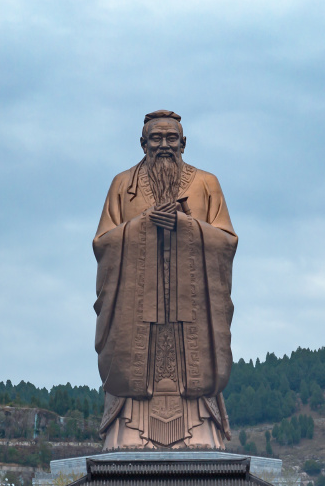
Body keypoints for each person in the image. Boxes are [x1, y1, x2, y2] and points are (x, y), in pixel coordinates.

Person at [94, 110, 237, 449]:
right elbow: (103, 242)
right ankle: (129, 431)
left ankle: (200, 429)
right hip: (138, 308)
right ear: (143, 144)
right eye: (155, 139)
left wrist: (186, 226)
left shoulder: (206, 183)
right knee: (137, 364)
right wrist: (143, 224)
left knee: (192, 366)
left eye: (171, 139)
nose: (164, 146)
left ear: (183, 143)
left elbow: (226, 241)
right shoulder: (122, 185)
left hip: (191, 310)